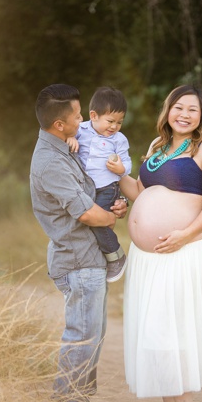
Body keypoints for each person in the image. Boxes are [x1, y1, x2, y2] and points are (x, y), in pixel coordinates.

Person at [119, 84, 202, 402]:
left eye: (192, 109)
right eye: (178, 107)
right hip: (148, 258)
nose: (184, 114)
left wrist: (184, 234)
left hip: (181, 252)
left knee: (174, 330)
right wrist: (117, 180)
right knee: (154, 331)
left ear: (201, 116)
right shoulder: (157, 147)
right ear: (168, 110)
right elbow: (141, 192)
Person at [29, 84, 127, 402]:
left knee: (93, 333)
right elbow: (86, 214)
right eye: (76, 115)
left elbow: (96, 192)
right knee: (81, 333)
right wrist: (111, 217)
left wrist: (117, 204)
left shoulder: (68, 148)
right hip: (76, 259)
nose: (82, 118)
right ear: (60, 124)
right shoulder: (50, 162)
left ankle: (78, 401)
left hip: (90, 256)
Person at [66, 86, 132, 282]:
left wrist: (121, 169)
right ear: (93, 116)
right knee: (86, 220)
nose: (114, 127)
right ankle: (98, 257)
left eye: (119, 122)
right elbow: (66, 138)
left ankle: (115, 255)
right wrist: (70, 138)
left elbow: (127, 163)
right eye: (110, 121)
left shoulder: (119, 140)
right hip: (86, 187)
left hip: (107, 187)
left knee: (99, 220)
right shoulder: (81, 130)